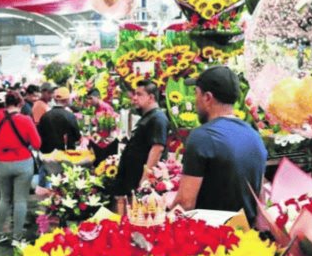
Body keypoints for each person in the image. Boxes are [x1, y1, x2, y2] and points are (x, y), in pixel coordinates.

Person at [172, 66, 267, 224]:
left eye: (196, 93)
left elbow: (185, 204)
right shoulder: (254, 135)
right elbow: (259, 195)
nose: (195, 101)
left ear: (207, 98)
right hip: (247, 238)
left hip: (212, 238)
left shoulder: (202, 136)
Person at [0, 91, 41, 246]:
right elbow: (37, 144)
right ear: (20, 103)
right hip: (23, 162)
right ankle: (17, 238)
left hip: (2, 162)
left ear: (5, 103)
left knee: (4, 199)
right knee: (20, 200)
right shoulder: (26, 120)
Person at [113, 80, 169, 209]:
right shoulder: (148, 117)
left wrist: (145, 179)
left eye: (139, 94)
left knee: (138, 214)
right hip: (132, 177)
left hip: (140, 179)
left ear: (151, 97)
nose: (134, 98)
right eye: (134, 94)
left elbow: (157, 148)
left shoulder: (158, 118)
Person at [37, 87, 81, 154]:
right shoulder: (70, 116)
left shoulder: (45, 116)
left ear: (55, 100)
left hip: (47, 154)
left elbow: (39, 134)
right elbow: (77, 136)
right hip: (66, 154)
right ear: (67, 100)